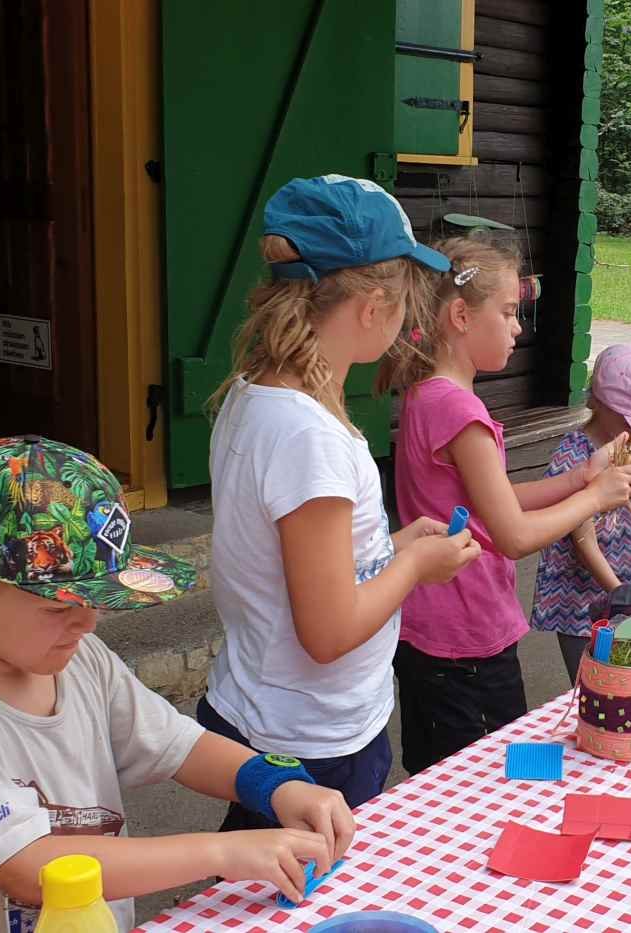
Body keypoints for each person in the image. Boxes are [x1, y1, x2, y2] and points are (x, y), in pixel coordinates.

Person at [0, 437, 356, 932]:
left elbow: (179, 746)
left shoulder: (78, 660)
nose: (88, 623)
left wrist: (274, 783)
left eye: (96, 602)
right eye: (59, 606)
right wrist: (222, 851)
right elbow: (28, 869)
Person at [198, 176, 480, 817]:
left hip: (264, 706)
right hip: (313, 736)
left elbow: (295, 559)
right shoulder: (310, 436)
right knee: (294, 873)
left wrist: (390, 547)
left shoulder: (254, 393)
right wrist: (414, 566)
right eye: (404, 303)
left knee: (257, 859)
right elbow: (327, 633)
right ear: (373, 306)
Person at [386, 237, 631, 775]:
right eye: (509, 312)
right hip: (465, 638)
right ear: (461, 316)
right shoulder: (460, 413)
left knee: (445, 774)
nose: (518, 328)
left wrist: (582, 476)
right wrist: (594, 498)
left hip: (439, 631)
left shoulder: (427, 394)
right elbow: (512, 535)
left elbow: (492, 504)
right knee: (480, 781)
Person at [531, 344, 631, 683]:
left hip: (624, 586)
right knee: (591, 683)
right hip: (578, 599)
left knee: (627, 680)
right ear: (601, 404)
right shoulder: (576, 458)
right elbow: (583, 541)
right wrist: (621, 596)